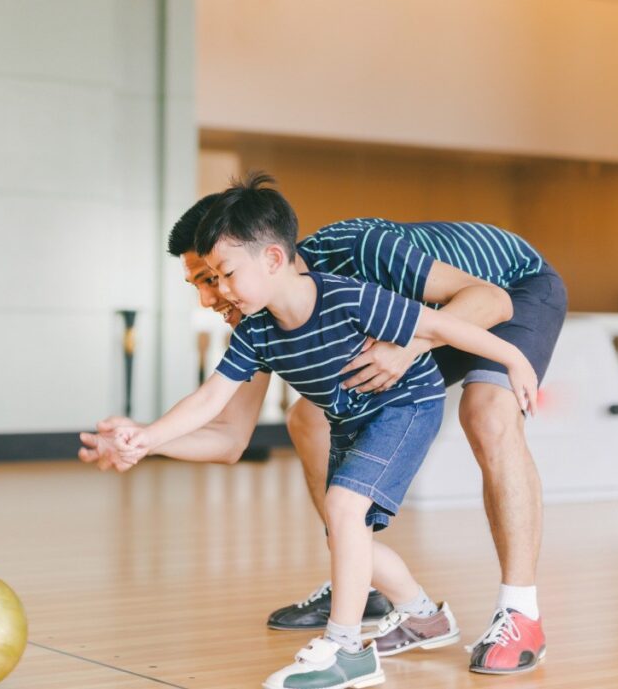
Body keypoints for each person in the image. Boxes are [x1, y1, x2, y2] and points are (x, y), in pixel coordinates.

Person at [81, 185, 566, 676]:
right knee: (306, 419)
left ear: (266, 257)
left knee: (486, 412)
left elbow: (490, 300)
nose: (210, 297)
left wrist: (406, 349)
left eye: (215, 277)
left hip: (509, 288)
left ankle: (521, 611)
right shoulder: (260, 316)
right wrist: (145, 441)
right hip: (417, 324)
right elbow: (229, 437)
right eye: (199, 285)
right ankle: (362, 577)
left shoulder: (354, 253)